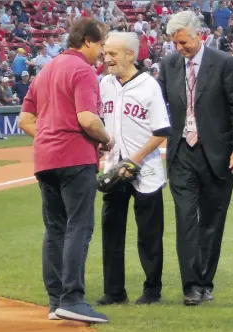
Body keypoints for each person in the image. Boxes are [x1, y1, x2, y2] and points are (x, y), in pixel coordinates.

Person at [18, 18, 111, 323]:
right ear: (87, 41)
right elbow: (87, 118)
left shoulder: (46, 70)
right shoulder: (82, 70)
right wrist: (106, 139)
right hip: (74, 157)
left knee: (55, 229)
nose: (101, 52)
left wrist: (48, 136)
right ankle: (72, 298)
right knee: (78, 227)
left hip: (45, 159)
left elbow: (25, 120)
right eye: (100, 44)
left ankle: (55, 301)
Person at [158, 11, 233, 306]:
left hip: (217, 154)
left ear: (199, 35)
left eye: (183, 42)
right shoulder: (168, 65)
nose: (179, 48)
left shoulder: (224, 63)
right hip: (181, 151)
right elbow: (158, 106)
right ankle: (191, 286)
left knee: (212, 221)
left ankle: (205, 282)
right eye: (174, 42)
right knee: (185, 220)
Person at [97, 32, 170, 306]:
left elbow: (162, 131)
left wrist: (135, 159)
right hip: (114, 170)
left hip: (146, 171)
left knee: (149, 236)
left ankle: (152, 291)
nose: (107, 59)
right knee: (111, 232)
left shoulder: (149, 85)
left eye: (113, 54)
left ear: (130, 54)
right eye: (105, 53)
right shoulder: (104, 83)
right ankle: (114, 292)